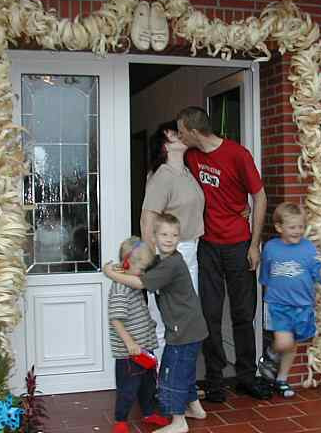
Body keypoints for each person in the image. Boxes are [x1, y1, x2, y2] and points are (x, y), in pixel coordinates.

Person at [176, 106, 270, 402]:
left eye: (181, 130)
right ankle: (215, 381)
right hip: (208, 246)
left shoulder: (237, 154)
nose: (179, 136)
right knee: (209, 315)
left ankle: (245, 376)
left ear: (192, 130)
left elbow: (260, 196)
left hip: (239, 244)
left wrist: (255, 245)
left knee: (243, 314)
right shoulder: (190, 156)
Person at [104, 214, 208, 433]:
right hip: (192, 328)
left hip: (184, 330)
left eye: (174, 235)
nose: (169, 239)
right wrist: (126, 267)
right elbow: (143, 268)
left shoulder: (171, 264)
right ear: (154, 237)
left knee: (172, 373)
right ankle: (196, 410)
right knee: (186, 371)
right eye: (164, 234)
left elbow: (140, 282)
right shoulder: (164, 262)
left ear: (180, 237)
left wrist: (110, 273)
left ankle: (179, 422)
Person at [258, 202, 321, 397]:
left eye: (301, 227)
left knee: (292, 345)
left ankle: (281, 379)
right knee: (283, 343)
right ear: (279, 227)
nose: (298, 231)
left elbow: (319, 276)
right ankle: (270, 354)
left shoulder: (308, 248)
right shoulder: (271, 248)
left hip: (303, 306)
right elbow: (265, 276)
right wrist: (267, 296)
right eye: (292, 227)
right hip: (278, 305)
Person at [140, 120, 205, 360]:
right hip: (169, 252)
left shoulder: (186, 172)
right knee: (163, 318)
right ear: (165, 143)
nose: (181, 135)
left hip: (189, 251)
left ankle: (174, 378)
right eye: (175, 133)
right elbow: (147, 220)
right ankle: (159, 381)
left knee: (185, 318)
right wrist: (155, 260)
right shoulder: (162, 176)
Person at [107, 237, 170, 433]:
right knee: (128, 387)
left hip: (145, 347)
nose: (144, 273)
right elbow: (116, 319)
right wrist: (129, 343)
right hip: (130, 352)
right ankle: (120, 420)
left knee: (148, 384)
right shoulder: (120, 288)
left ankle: (149, 412)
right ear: (127, 263)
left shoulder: (133, 282)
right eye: (142, 269)